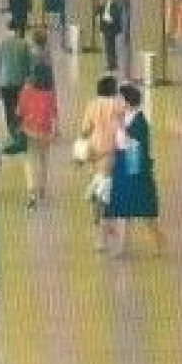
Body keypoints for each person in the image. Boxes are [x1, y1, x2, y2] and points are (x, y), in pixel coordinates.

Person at [105, 83, 164, 257]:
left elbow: (134, 142)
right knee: (122, 208)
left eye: (121, 99)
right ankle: (122, 247)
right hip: (122, 164)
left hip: (136, 168)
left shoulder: (140, 121)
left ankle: (158, 242)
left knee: (145, 211)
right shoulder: (124, 117)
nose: (118, 102)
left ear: (128, 102)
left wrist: (120, 126)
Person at [79, 74, 125, 252]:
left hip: (94, 155)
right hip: (112, 155)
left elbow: (85, 130)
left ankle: (102, 234)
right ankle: (106, 234)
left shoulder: (92, 105)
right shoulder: (119, 106)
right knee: (107, 196)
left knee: (99, 196)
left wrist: (80, 151)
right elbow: (124, 131)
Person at [17, 61, 59, 210]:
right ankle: (42, 189)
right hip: (45, 132)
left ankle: (32, 194)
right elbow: (54, 113)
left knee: (29, 161)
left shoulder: (26, 90)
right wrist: (56, 132)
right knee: (43, 161)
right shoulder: (50, 93)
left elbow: (19, 112)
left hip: (29, 130)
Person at [0, 24, 33, 155]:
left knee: (9, 109)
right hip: (20, 82)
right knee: (20, 108)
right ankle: (21, 135)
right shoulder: (24, 44)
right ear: (17, 31)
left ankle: (13, 135)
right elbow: (30, 64)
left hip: (5, 82)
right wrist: (28, 79)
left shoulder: (0, 45)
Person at [98, 0, 124, 74]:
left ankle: (111, 64)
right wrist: (100, 5)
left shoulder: (114, 3)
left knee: (110, 47)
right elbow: (98, 13)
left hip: (112, 28)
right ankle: (112, 64)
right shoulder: (104, 4)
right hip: (106, 28)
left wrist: (109, 18)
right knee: (108, 47)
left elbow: (116, 16)